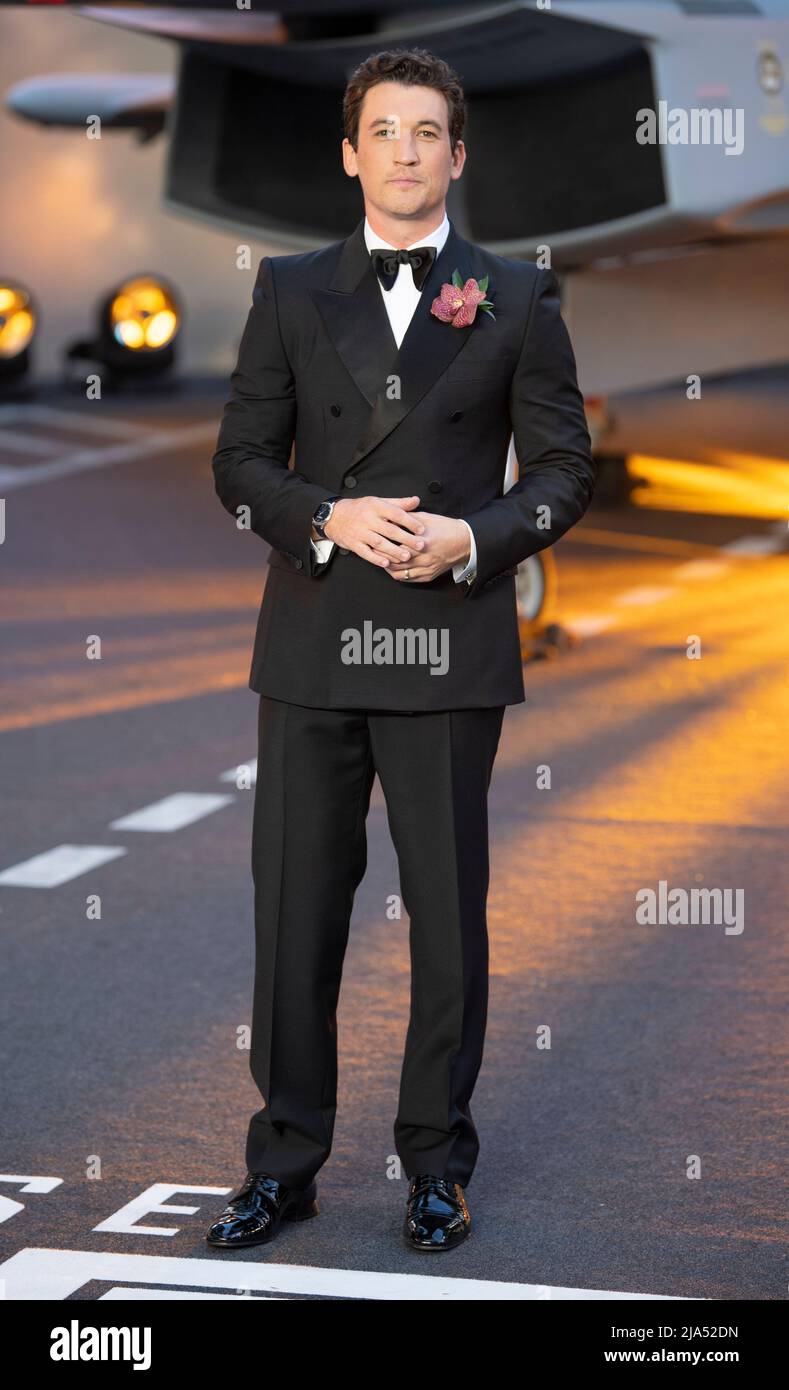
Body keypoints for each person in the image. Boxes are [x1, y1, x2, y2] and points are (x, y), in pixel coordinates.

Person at [206, 46, 595, 1253]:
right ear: (350, 153)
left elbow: (567, 471)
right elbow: (238, 464)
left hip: (445, 644)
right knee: (297, 917)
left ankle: (434, 1163)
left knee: (446, 919)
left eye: (428, 133)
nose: (407, 152)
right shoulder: (285, 287)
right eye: (385, 132)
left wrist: (475, 539)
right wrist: (328, 514)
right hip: (316, 642)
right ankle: (286, 1164)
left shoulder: (519, 296)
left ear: (458, 156)